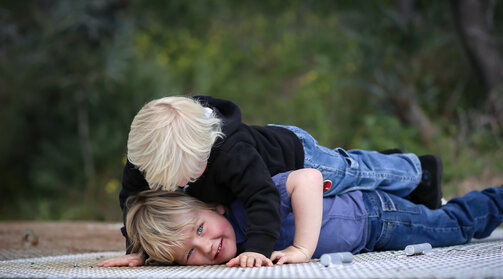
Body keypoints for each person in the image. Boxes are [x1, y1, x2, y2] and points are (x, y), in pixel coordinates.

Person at [119, 95, 442, 267]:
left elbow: (261, 196)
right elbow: (132, 203)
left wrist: (258, 250)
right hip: (273, 177)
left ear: (208, 144)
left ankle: (417, 172)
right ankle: (396, 174)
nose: (187, 181)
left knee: (355, 171)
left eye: (195, 169)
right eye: (176, 179)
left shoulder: (232, 152)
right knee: (353, 183)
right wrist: (135, 248)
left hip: (294, 156)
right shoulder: (146, 159)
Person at [99, 171, 503, 268]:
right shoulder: (221, 238)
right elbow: (175, 243)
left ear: (212, 207)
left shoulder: (254, 203)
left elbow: (307, 179)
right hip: (368, 236)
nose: (206, 246)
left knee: (453, 228)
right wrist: (139, 255)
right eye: (188, 255)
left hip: (375, 218)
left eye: (200, 230)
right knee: (448, 226)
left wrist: (301, 249)